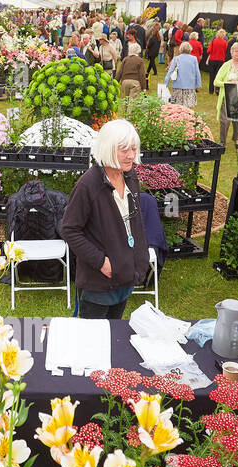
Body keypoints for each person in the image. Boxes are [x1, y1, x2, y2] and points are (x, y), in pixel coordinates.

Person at [61, 119, 151, 321]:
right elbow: (69, 229)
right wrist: (101, 262)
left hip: (125, 276)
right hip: (99, 284)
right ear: (109, 149)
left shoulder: (129, 176)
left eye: (133, 149)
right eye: (124, 150)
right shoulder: (88, 185)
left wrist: (139, 257)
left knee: (114, 332)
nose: (131, 156)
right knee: (91, 341)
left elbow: (133, 222)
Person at [165, 42, 201, 107]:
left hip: (177, 86)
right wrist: (198, 84)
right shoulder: (194, 59)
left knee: (178, 107)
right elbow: (197, 72)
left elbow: (170, 71)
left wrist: (166, 82)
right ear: (190, 49)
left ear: (181, 49)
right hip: (190, 86)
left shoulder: (176, 58)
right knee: (188, 107)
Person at [205, 28, 229, 95]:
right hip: (221, 60)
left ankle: (211, 90)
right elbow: (226, 51)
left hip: (212, 60)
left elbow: (208, 51)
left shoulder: (213, 41)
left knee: (211, 75)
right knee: (219, 75)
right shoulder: (225, 43)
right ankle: (217, 89)